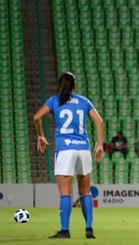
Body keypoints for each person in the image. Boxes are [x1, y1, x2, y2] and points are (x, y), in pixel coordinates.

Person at [34, 72, 104, 239]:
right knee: (85, 191)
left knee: (65, 192)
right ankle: (89, 230)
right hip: (83, 149)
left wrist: (40, 135)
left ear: (59, 86)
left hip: (65, 150)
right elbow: (99, 121)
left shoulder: (54, 101)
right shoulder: (84, 101)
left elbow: (37, 117)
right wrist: (99, 144)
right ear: (74, 86)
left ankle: (65, 230)